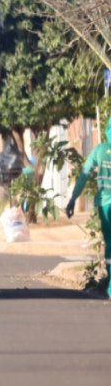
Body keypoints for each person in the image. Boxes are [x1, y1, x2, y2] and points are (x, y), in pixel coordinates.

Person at [66, 117, 111, 299]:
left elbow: (84, 175)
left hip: (105, 205)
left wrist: (72, 200)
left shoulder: (99, 151)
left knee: (110, 244)